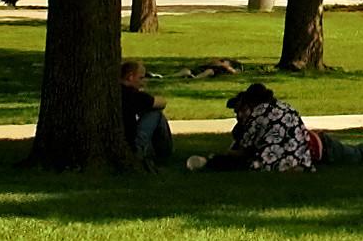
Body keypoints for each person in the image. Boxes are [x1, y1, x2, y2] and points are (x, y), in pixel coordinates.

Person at [186, 83, 315, 172]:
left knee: (231, 163)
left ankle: (205, 163)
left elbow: (243, 152)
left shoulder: (257, 116)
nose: (239, 116)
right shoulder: (284, 107)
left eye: (241, 110)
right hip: (302, 160)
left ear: (251, 104)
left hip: (273, 163)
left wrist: (224, 155)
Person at [120, 60, 172, 164]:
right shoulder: (134, 95)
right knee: (156, 113)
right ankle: (164, 153)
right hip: (133, 145)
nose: (144, 82)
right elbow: (161, 103)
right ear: (130, 77)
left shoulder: (116, 91)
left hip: (120, 141)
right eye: (141, 78)